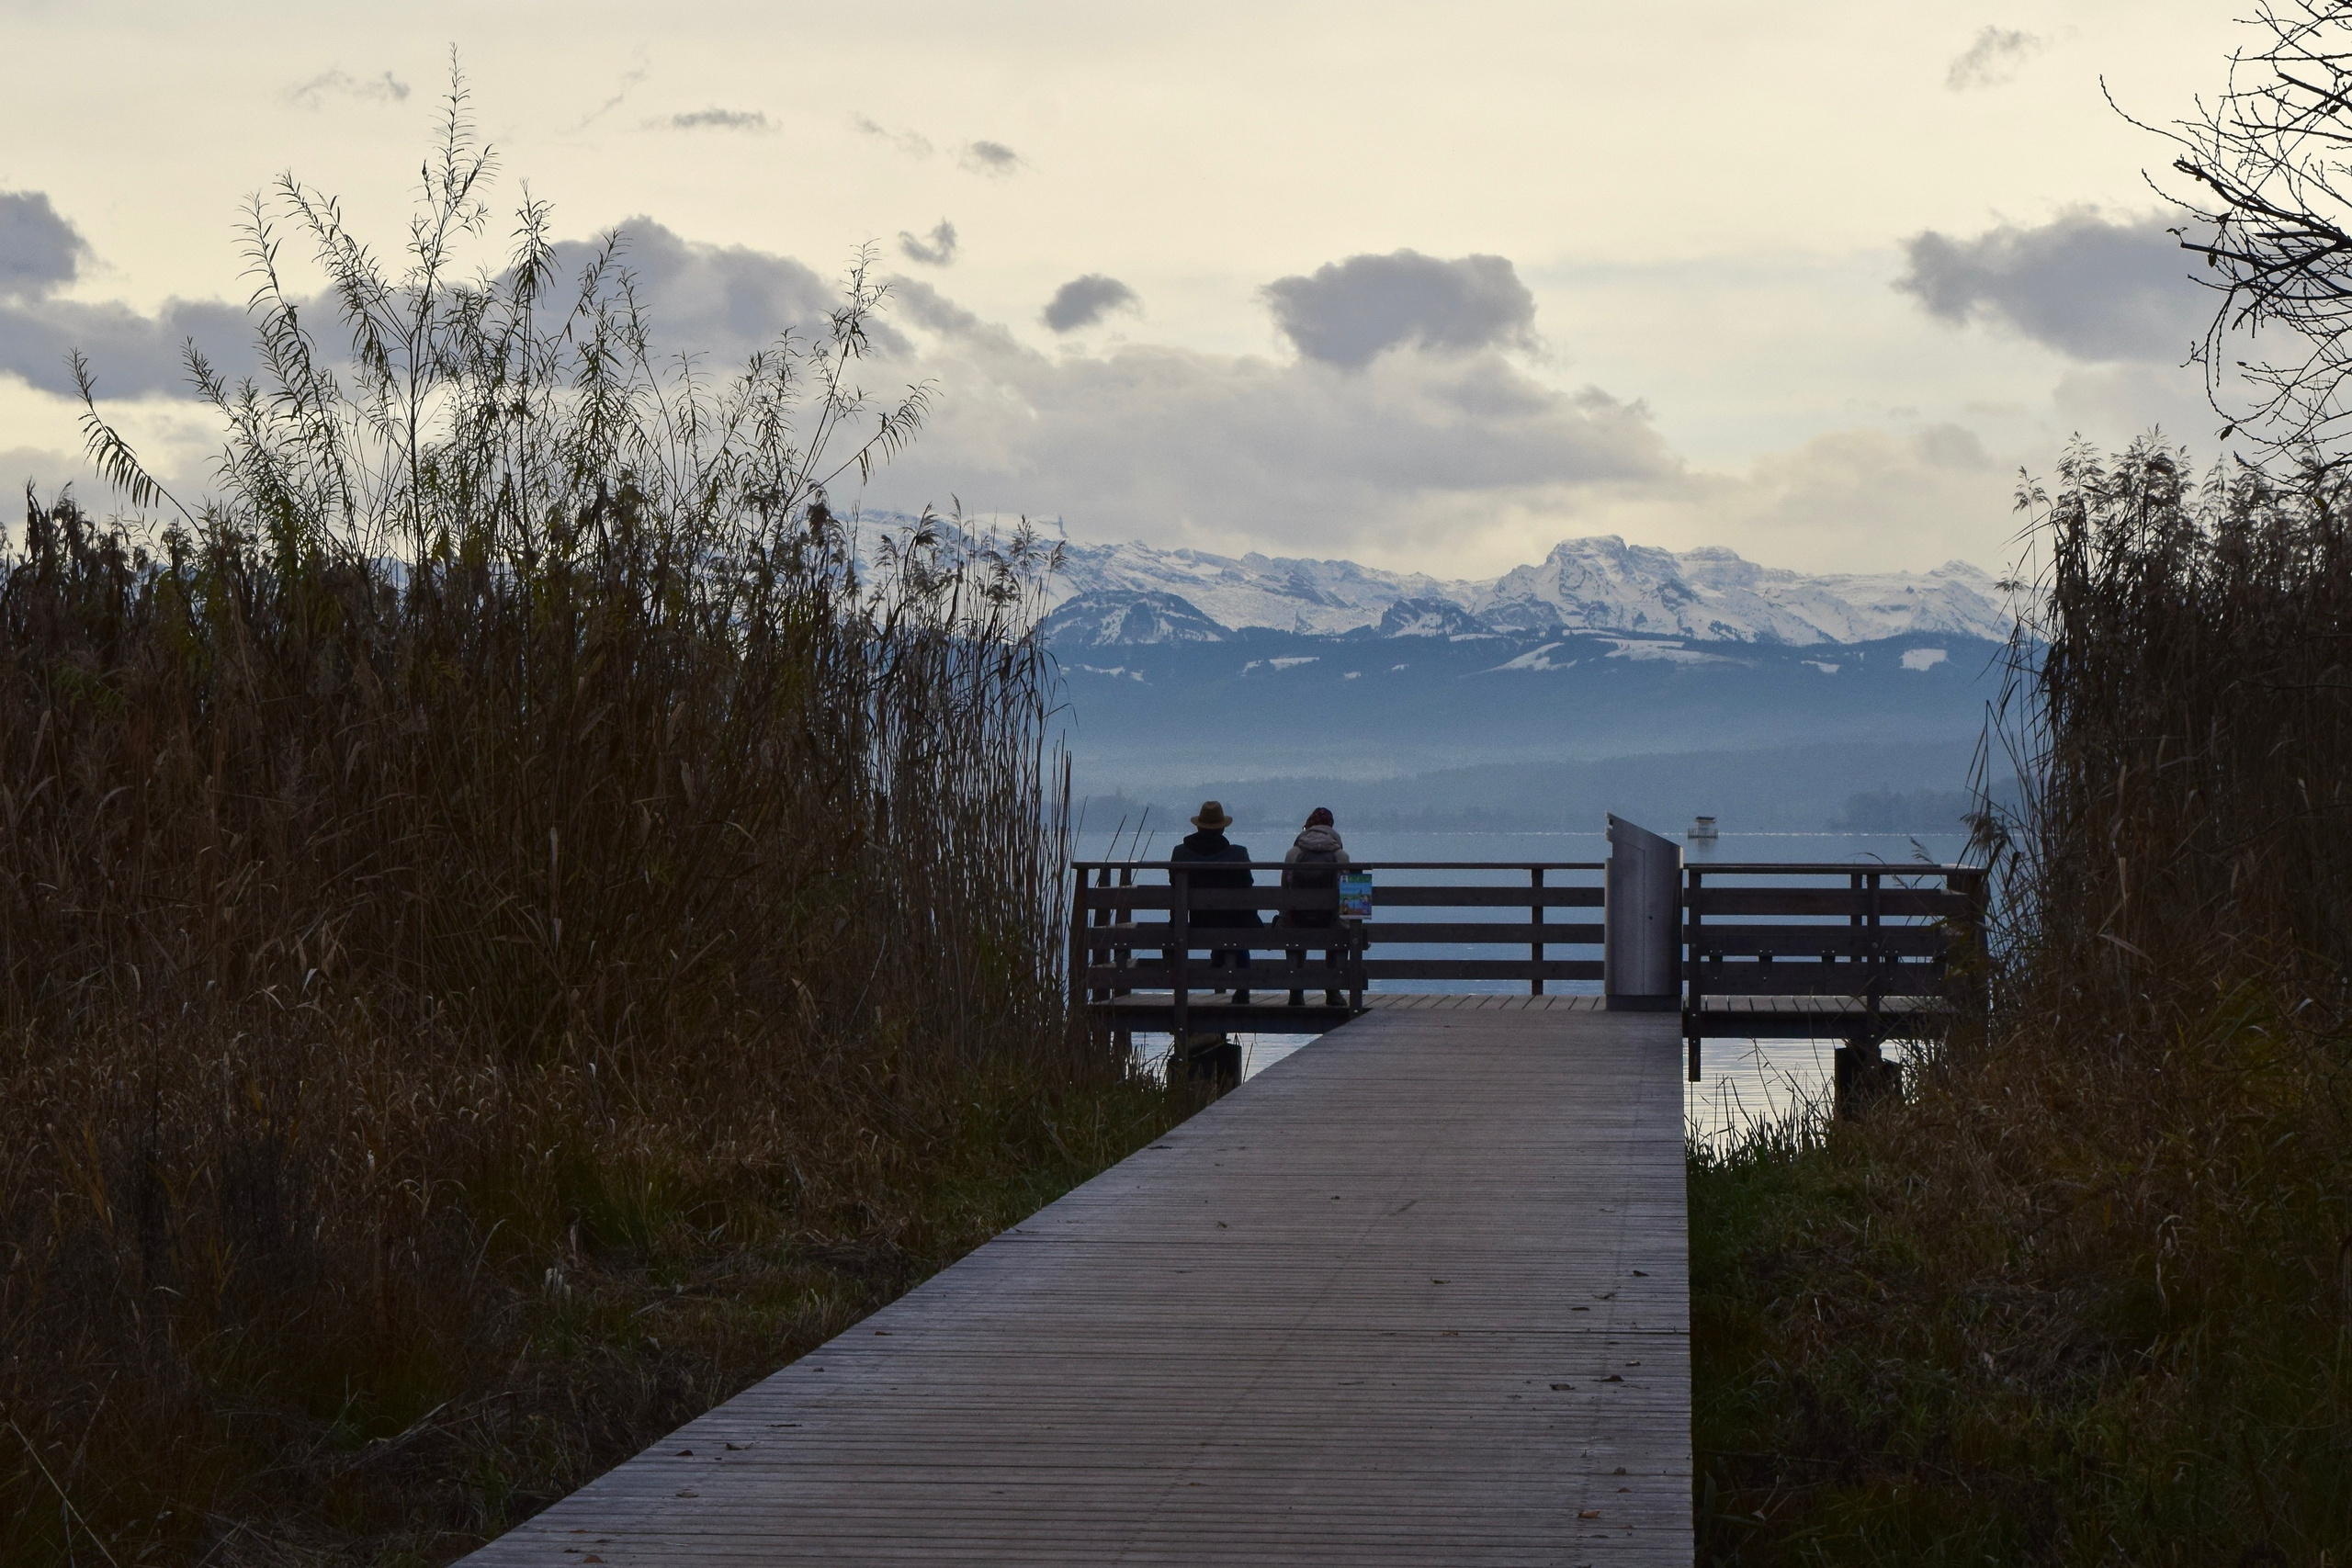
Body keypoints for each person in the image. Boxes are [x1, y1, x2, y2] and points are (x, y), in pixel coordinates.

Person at [1168, 800, 1261, 1005]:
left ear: (1199, 826)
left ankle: (1214, 970)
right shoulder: (1238, 854)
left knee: (1224, 923)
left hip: (1195, 926)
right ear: (1221, 829)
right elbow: (1248, 888)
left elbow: (1174, 886)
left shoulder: (1180, 853)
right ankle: (1241, 987)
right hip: (1232, 925)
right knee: (1237, 925)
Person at [1281, 807, 1351, 1007]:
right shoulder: (1342, 856)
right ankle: (1333, 991)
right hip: (1330, 923)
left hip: (1298, 922)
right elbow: (1349, 905)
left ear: (1308, 826)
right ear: (1331, 828)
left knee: (1291, 927)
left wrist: (1286, 920)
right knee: (1342, 926)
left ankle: (1295, 991)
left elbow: (1284, 896)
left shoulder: (1292, 854)